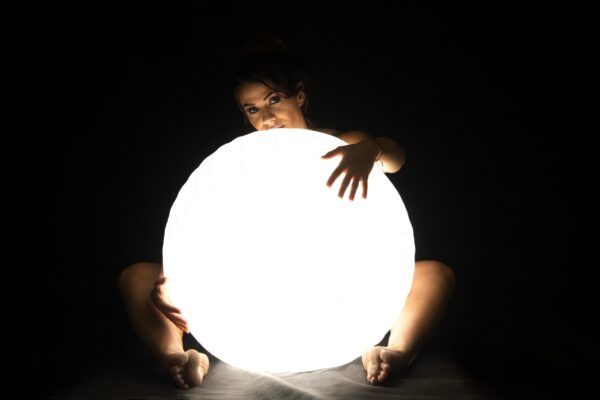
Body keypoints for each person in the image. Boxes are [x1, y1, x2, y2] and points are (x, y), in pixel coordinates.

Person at [118, 36, 455, 389]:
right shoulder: (239, 166)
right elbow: (214, 237)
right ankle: (177, 355)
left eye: (274, 100)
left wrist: (371, 149)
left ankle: (394, 352)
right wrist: (179, 280)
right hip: (248, 302)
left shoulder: (341, 146)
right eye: (252, 109)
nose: (266, 117)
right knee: (139, 277)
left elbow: (395, 159)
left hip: (334, 294)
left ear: (300, 95)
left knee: (435, 274)